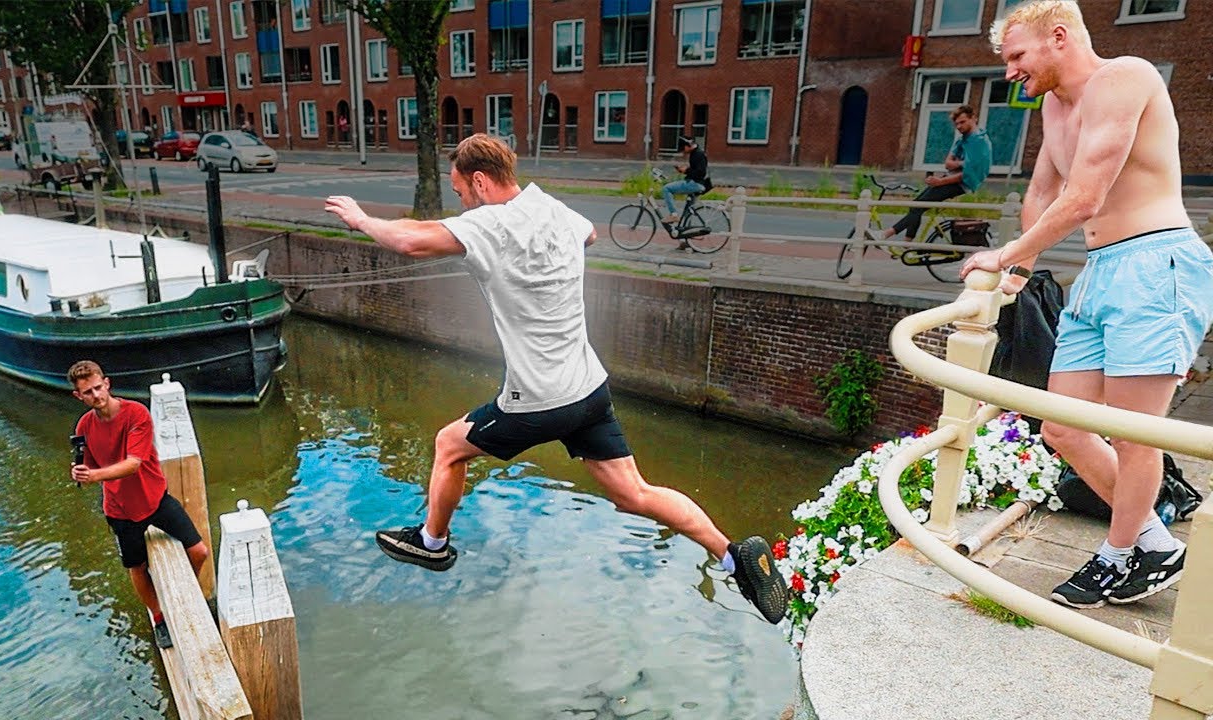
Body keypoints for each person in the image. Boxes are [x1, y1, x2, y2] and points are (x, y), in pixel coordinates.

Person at [323, 133, 788, 624]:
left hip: (537, 400)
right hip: (588, 389)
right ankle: (734, 557)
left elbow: (411, 239)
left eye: (459, 191)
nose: (460, 201)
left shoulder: (488, 224)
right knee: (635, 494)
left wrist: (360, 218)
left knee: (447, 445)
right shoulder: (552, 208)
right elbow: (589, 233)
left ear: (479, 182)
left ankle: (432, 543)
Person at [961, 0, 1213, 608]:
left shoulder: (1125, 77)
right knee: (1063, 426)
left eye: (1017, 56)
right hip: (1101, 272)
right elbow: (1043, 189)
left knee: (1133, 436)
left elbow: (1085, 195)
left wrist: (1005, 255)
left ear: (1057, 37)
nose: (1010, 72)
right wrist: (1017, 271)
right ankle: (1153, 543)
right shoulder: (1055, 105)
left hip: (1157, 267)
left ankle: (1116, 556)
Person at [67, 361, 209, 648]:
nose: (96, 395)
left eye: (98, 387)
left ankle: (181, 592)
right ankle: (158, 617)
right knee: (137, 567)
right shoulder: (84, 425)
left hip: (155, 498)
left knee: (200, 551)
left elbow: (133, 464)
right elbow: (89, 466)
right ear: (78, 396)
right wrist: (81, 472)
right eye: (88, 392)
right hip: (120, 509)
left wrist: (95, 476)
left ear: (107, 383)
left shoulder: (136, 413)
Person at [870, 105, 992, 244]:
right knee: (916, 206)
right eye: (956, 123)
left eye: (962, 122)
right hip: (951, 178)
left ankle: (886, 234)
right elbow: (948, 163)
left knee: (918, 206)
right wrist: (962, 163)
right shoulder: (963, 139)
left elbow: (966, 175)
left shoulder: (978, 141)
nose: (959, 126)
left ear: (973, 119)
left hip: (960, 183)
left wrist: (941, 181)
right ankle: (906, 244)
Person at [661, 135, 710, 225]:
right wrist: (685, 170)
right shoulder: (696, 152)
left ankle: (673, 214)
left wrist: (686, 170)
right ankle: (687, 232)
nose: (684, 152)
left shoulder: (698, 154)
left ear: (687, 146)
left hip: (695, 183)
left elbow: (701, 172)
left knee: (666, 188)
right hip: (699, 183)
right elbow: (697, 170)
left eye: (683, 149)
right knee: (688, 210)